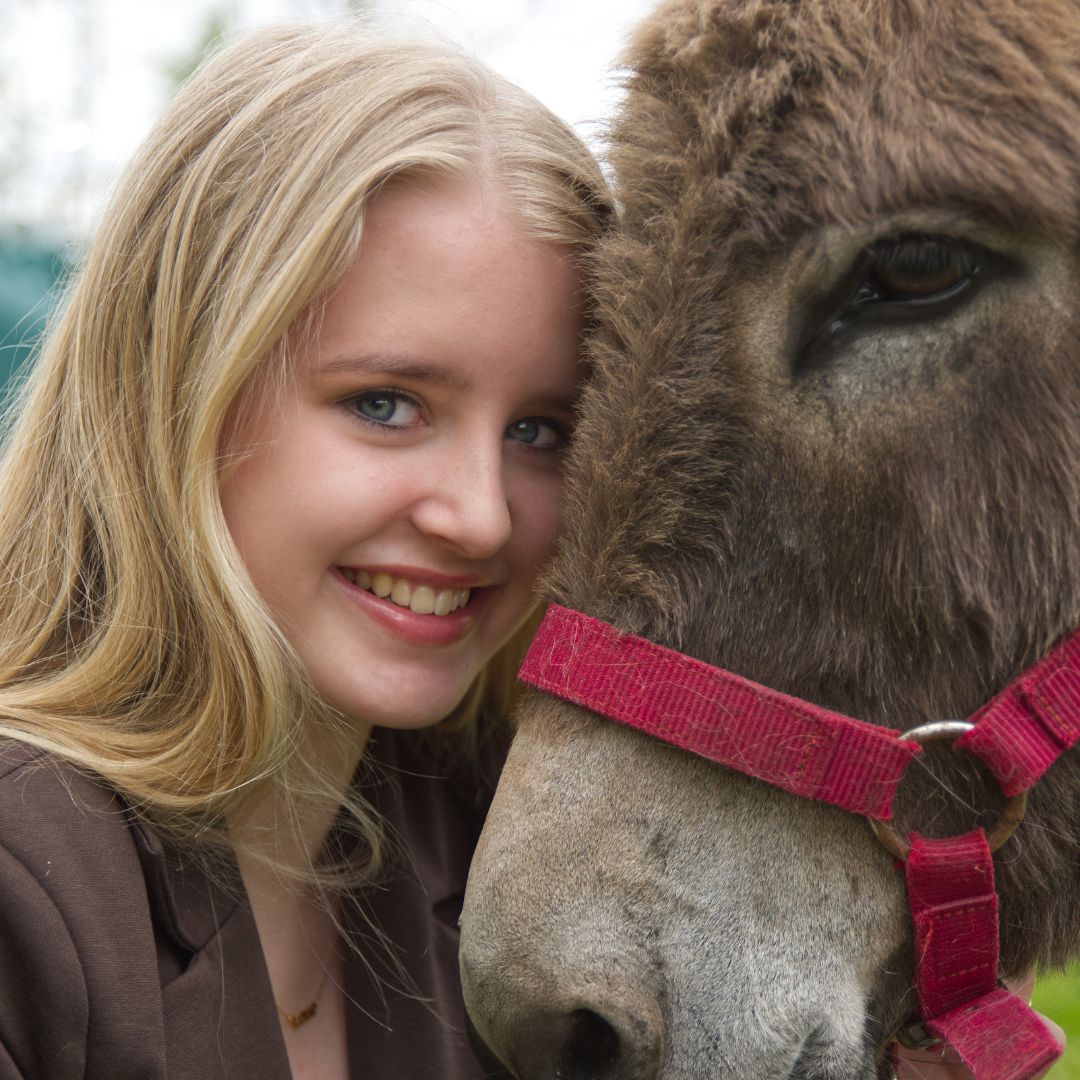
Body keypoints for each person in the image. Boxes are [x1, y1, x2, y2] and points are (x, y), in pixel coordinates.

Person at [0, 23, 610, 1080]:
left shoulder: (515, 851)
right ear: (177, 385)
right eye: (387, 405)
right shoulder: (26, 888)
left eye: (541, 432)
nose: (482, 518)